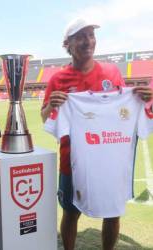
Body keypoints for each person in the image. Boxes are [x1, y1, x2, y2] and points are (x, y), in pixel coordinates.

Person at [40, 18, 153, 250]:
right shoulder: (58, 79)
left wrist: (142, 100)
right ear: (68, 44)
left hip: (110, 159)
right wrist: (51, 106)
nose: (88, 41)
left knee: (112, 213)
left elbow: (124, 108)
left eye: (91, 35)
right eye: (81, 37)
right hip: (72, 160)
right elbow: (45, 118)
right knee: (71, 213)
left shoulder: (111, 72)